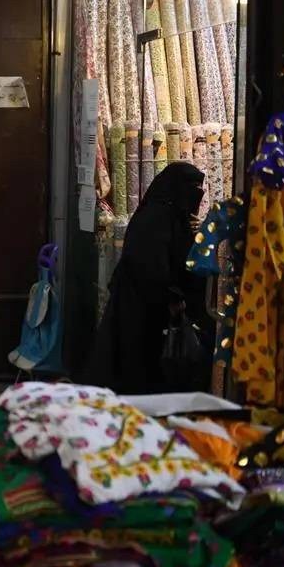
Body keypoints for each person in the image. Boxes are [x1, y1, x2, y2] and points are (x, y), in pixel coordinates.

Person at [85, 162, 211, 394]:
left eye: (199, 187)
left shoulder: (172, 216)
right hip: (141, 306)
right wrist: (171, 296)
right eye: (192, 187)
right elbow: (149, 266)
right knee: (135, 368)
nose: (196, 193)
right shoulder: (154, 219)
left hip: (153, 308)